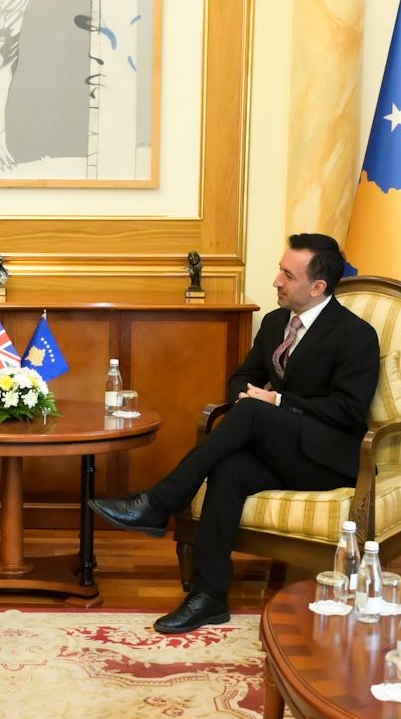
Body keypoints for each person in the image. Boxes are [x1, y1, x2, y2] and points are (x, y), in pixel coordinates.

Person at [89, 233, 379, 634]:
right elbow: (242, 378)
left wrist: (277, 401)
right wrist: (247, 396)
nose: (276, 281)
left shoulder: (355, 335)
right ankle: (209, 597)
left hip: (326, 459)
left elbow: (348, 410)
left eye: (287, 275)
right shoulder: (275, 323)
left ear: (317, 287)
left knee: (254, 412)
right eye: (280, 270)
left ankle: (158, 502)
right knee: (230, 469)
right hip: (282, 450)